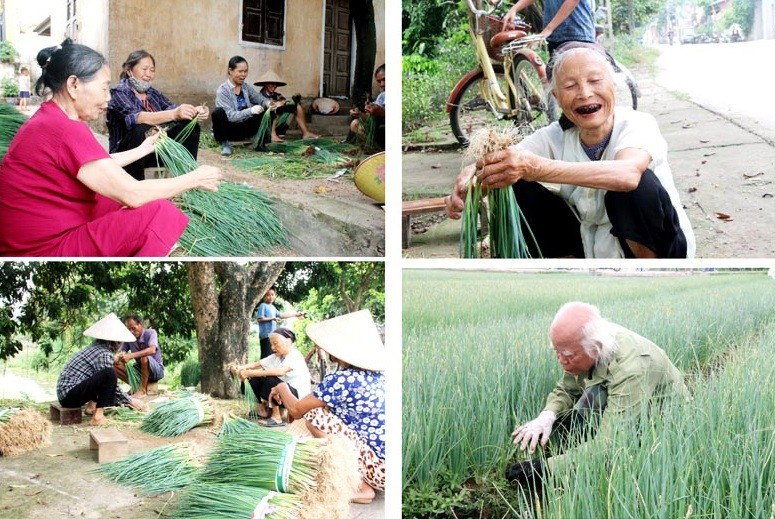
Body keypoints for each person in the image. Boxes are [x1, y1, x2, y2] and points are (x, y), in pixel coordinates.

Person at [445, 46, 695, 258]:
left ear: (614, 86)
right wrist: (470, 181)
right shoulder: (555, 135)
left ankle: (647, 279)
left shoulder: (638, 123)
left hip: (660, 250)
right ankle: (569, 275)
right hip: (592, 249)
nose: (585, 93)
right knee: (517, 183)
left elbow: (627, 174)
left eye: (595, 81)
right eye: (570, 86)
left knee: (636, 186)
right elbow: (506, 161)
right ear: (557, 97)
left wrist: (536, 168)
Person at [0, 39, 222, 257]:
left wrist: (144, 149)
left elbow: (95, 164)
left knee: (109, 197)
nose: (108, 98)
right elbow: (133, 194)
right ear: (73, 85)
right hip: (41, 249)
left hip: (26, 240)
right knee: (158, 212)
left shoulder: (49, 118)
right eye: (104, 89)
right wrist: (194, 179)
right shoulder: (64, 129)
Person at [505, 302, 689, 492]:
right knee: (572, 421)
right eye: (556, 353)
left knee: (622, 454)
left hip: (660, 419)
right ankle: (573, 454)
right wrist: (547, 416)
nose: (561, 361)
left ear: (595, 348)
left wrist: (544, 469)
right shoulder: (582, 344)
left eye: (567, 355)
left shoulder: (629, 369)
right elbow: (567, 388)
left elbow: (609, 444)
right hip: (623, 395)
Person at [269, 310, 386, 505]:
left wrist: (281, 386)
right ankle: (361, 477)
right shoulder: (381, 376)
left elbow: (297, 410)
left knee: (315, 415)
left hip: (378, 470)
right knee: (324, 411)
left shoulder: (341, 379)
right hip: (389, 467)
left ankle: (358, 485)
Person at [107, 50, 209, 181]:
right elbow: (136, 118)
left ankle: (187, 179)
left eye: (152, 70)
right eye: (144, 69)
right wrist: (174, 114)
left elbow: (172, 109)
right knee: (141, 129)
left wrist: (194, 111)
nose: (148, 74)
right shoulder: (119, 92)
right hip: (128, 155)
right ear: (129, 70)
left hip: (155, 151)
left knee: (189, 126)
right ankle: (137, 187)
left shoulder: (153, 93)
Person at [56, 313, 146, 426]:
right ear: (117, 341)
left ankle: (91, 407)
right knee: (109, 373)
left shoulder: (97, 348)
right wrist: (131, 401)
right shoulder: (103, 353)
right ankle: (98, 417)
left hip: (66, 393)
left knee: (105, 377)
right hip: (69, 396)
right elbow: (110, 383)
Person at [229, 328, 311, 427]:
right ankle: (262, 410)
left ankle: (277, 418)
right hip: (283, 394)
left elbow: (280, 372)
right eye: (271, 344)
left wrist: (250, 372)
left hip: (297, 397)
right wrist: (239, 368)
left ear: (288, 341)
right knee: (254, 380)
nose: (272, 347)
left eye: (276, 343)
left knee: (271, 379)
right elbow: (257, 364)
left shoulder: (295, 355)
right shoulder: (277, 356)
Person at [212, 56, 270, 157]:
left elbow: (260, 99)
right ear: (230, 70)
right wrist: (250, 110)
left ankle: (259, 142)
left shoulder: (246, 87)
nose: (243, 75)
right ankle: (225, 144)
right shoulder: (223, 90)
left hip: (243, 128)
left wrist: (268, 103)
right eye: (240, 71)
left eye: (246, 71)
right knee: (218, 112)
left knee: (266, 111)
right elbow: (230, 116)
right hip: (228, 129)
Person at [502, 0, 596, 57]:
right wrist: (514, 9)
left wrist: (548, 29)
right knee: (559, 83)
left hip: (578, 34)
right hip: (555, 37)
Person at [252, 70, 319, 144]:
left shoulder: (277, 95)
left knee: (296, 106)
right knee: (274, 109)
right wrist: (275, 104)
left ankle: (306, 133)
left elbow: (284, 101)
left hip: (277, 123)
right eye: (271, 84)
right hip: (264, 125)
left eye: (276, 84)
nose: (274, 86)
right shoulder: (259, 96)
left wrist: (283, 102)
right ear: (265, 84)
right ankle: (272, 135)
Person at [113, 314, 164, 398]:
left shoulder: (151, 333)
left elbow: (152, 350)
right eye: (129, 329)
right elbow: (120, 353)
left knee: (144, 357)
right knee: (114, 364)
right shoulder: (129, 338)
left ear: (140, 324)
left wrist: (131, 356)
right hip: (140, 371)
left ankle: (143, 390)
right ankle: (136, 386)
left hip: (156, 371)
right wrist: (119, 357)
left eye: (133, 328)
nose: (131, 332)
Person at [255, 287, 305, 359]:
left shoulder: (273, 307)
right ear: (264, 296)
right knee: (266, 356)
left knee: (273, 356)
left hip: (273, 336)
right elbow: (260, 319)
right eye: (268, 295)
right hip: (265, 336)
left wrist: (295, 314)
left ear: (275, 296)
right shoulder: (263, 305)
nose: (270, 297)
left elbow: (281, 315)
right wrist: (273, 318)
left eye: (272, 295)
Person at [349, 64, 385, 150]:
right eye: (379, 81)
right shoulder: (381, 96)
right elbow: (369, 116)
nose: (382, 84)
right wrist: (359, 114)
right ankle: (376, 149)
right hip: (378, 128)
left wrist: (381, 112)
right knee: (355, 124)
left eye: (385, 79)